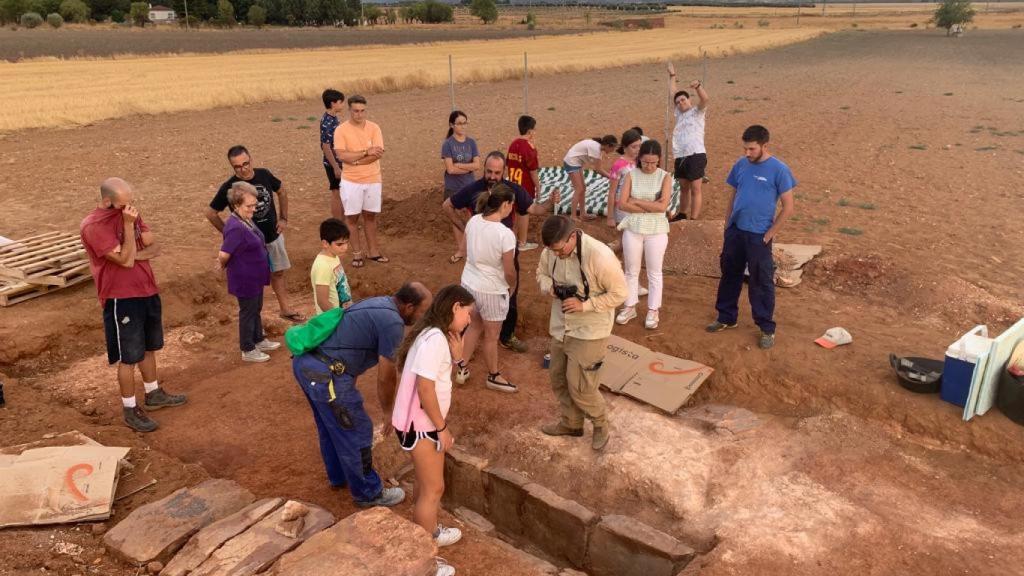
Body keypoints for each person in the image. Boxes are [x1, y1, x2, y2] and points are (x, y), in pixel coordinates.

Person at [292, 282, 432, 507]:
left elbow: (348, 347)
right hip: (325, 375)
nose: (421, 318)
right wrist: (388, 413)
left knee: (331, 424)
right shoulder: (393, 323)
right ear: (409, 306)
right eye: (422, 312)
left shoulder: (379, 303)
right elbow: (386, 375)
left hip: (309, 365)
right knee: (357, 430)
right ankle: (369, 493)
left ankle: (340, 477)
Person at [80, 177, 186, 433]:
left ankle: (153, 393)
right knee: (128, 358)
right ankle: (129, 409)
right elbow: (126, 262)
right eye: (125, 204)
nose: (132, 208)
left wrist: (130, 250)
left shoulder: (128, 212)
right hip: (121, 297)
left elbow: (154, 245)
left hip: (147, 289)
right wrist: (129, 230)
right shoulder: (94, 226)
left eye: (132, 203)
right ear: (108, 201)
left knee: (149, 347)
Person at [442, 151, 555, 355]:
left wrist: (551, 202)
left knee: (510, 296)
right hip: (480, 254)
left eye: (496, 172)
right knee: (472, 297)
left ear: (504, 171)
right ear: (484, 169)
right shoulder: (474, 189)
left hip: (506, 252)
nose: (492, 176)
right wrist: (462, 226)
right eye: (488, 172)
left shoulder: (513, 190)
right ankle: (469, 338)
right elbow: (447, 205)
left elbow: (535, 209)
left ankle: (506, 336)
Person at [392, 284, 474, 561]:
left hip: (417, 421)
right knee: (434, 488)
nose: (469, 320)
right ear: (455, 307)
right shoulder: (435, 340)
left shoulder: (434, 335)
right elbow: (425, 389)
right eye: (468, 312)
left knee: (426, 484)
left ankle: (427, 533)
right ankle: (427, 558)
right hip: (421, 424)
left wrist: (458, 357)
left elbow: (436, 378)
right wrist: (442, 428)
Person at [535, 215, 626, 451]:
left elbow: (619, 294)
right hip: (561, 327)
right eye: (552, 251)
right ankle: (572, 423)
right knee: (558, 378)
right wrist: (550, 287)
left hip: (590, 330)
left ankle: (600, 425)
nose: (556, 255)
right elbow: (541, 274)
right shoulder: (551, 251)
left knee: (582, 386)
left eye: (560, 250)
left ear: (572, 237)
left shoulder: (600, 256)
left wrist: (584, 305)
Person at [707, 125, 796, 350]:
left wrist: (769, 234)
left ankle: (766, 327)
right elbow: (733, 196)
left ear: (765, 146)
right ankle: (726, 317)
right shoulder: (740, 165)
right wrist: (727, 225)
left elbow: (788, 207)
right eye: (745, 148)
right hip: (736, 231)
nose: (747, 153)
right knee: (729, 274)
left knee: (761, 280)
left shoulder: (779, 170)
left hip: (759, 236)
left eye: (752, 149)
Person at [206, 145, 303, 323]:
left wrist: (283, 219)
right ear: (232, 167)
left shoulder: (264, 174)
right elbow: (211, 213)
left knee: (278, 273)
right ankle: (254, 321)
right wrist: (229, 234)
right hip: (249, 247)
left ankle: (285, 309)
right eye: (237, 166)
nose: (243, 169)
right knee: (253, 282)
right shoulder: (230, 187)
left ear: (251, 160)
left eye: (246, 163)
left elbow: (281, 190)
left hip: (273, 237)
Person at [459, 185, 518, 393]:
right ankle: (493, 376)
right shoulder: (505, 234)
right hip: (492, 290)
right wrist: (513, 285)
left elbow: (464, 251)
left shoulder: (474, 220)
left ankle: (461, 368)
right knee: (492, 336)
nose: (512, 208)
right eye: (511, 204)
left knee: (474, 326)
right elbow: (509, 270)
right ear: (505, 205)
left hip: (468, 284)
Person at [216, 182, 281, 362]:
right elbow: (223, 253)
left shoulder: (244, 219)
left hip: (254, 275)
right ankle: (247, 348)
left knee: (256, 309)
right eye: (249, 206)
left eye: (254, 204)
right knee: (248, 311)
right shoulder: (235, 226)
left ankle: (258, 339)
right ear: (236, 205)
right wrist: (221, 266)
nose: (254, 209)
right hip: (245, 277)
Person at [615, 140, 672, 330]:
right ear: (639, 160)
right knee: (631, 270)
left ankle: (653, 310)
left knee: (654, 272)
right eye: (646, 162)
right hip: (634, 228)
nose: (649, 166)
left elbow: (663, 207)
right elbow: (622, 203)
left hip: (656, 231)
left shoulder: (665, 177)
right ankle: (629, 306)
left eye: (653, 163)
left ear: (659, 160)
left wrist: (637, 201)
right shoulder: (631, 175)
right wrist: (651, 207)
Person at [333, 94, 387, 268]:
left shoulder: (374, 128)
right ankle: (356, 253)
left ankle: (373, 251)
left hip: (372, 179)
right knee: (352, 218)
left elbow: (377, 154)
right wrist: (365, 152)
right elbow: (341, 155)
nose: (359, 114)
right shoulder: (341, 130)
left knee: (370, 216)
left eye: (362, 111)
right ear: (350, 110)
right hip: (351, 181)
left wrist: (354, 160)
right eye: (356, 111)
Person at [668, 63, 710, 221]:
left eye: (683, 100)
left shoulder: (697, 112)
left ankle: (693, 219)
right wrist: (673, 76)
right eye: (678, 102)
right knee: (683, 187)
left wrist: (698, 86)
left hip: (696, 154)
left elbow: (705, 99)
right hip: (680, 155)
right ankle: (682, 214)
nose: (680, 103)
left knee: (695, 188)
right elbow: (673, 92)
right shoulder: (679, 114)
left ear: (689, 100)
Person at [441, 110, 480, 264]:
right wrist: (469, 167)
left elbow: (477, 166)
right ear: (452, 125)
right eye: (459, 123)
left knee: (472, 219)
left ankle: (472, 250)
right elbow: (450, 170)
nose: (463, 126)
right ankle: (461, 251)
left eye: (465, 123)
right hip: (453, 187)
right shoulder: (448, 144)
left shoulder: (471, 143)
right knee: (456, 221)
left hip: (470, 186)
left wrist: (461, 165)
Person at [562, 135, 617, 221]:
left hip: (576, 162)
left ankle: (583, 213)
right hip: (571, 162)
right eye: (612, 148)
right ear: (608, 145)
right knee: (579, 189)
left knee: (582, 188)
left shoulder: (597, 147)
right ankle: (573, 216)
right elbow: (598, 170)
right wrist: (612, 177)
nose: (613, 151)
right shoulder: (596, 149)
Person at [506, 115, 540, 252]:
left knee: (515, 212)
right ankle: (523, 242)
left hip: (513, 183)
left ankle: (512, 240)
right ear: (530, 131)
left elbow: (509, 163)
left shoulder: (513, 144)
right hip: (525, 185)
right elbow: (533, 171)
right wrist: (538, 186)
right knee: (524, 212)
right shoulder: (528, 148)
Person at [311, 218, 353, 315]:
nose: (345, 247)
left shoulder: (334, 256)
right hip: (332, 321)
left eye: (346, 242)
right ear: (325, 243)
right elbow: (322, 301)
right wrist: (339, 317)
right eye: (340, 244)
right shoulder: (322, 266)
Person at [606, 129, 643, 229]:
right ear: (625, 147)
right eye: (634, 147)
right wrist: (610, 217)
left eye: (640, 146)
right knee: (626, 231)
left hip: (636, 203)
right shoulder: (618, 165)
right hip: (622, 206)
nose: (638, 149)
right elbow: (612, 192)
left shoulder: (640, 161)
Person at [320, 88, 346, 221]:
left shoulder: (332, 118)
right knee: (336, 192)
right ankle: (338, 222)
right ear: (333, 103)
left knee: (341, 191)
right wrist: (335, 167)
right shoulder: (327, 122)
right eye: (341, 102)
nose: (342, 105)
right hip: (332, 163)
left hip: (338, 161)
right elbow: (325, 146)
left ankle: (342, 220)